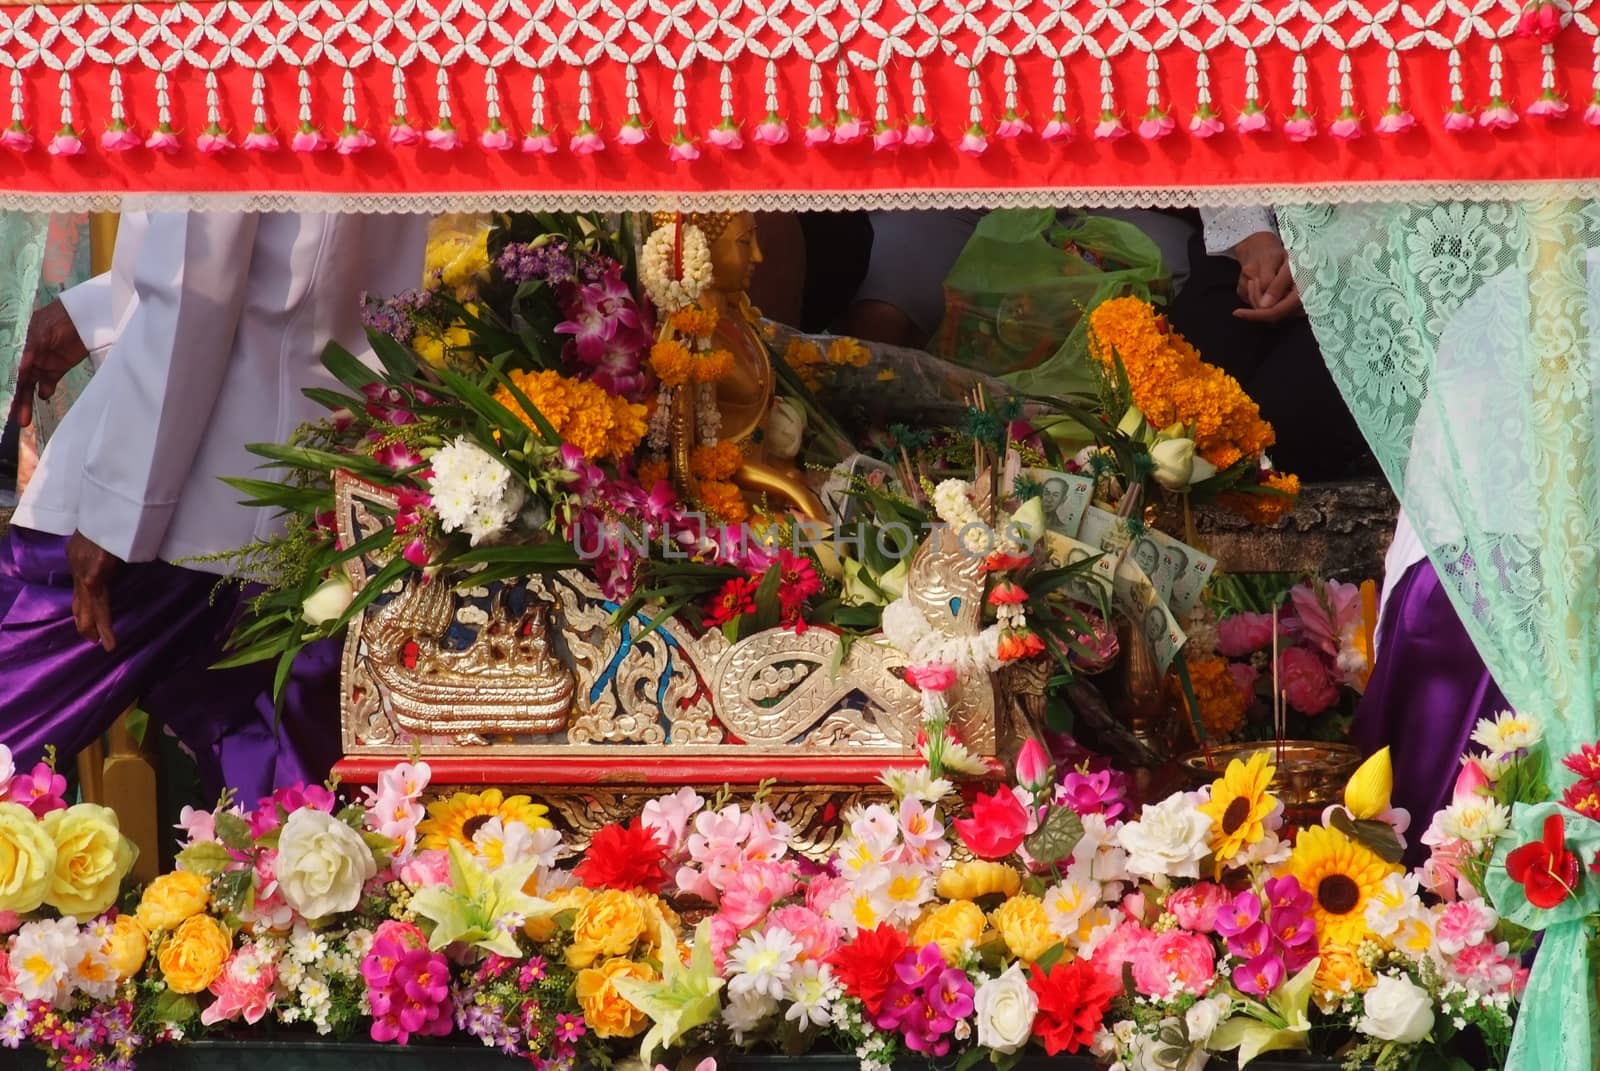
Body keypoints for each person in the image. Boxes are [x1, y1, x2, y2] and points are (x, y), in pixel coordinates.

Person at [0, 211, 432, 804]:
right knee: (281, 797)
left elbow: (194, 286)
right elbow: (271, 264)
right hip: (304, 483)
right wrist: (84, 316)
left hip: (180, 491)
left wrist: (114, 511)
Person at [1166, 207, 1372, 482]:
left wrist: (1332, 262)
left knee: (1287, 427)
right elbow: (1226, 166)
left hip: (1366, 267)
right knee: (1184, 390)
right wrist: (1253, 241)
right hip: (1248, 242)